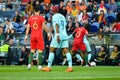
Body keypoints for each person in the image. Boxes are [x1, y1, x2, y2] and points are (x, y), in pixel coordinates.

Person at [42, 5, 73, 72]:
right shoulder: (62, 16)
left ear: (53, 11)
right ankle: (70, 67)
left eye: (52, 10)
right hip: (65, 35)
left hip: (58, 35)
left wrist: (58, 35)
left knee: (51, 49)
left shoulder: (54, 16)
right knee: (66, 50)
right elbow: (65, 25)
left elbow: (56, 25)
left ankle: (48, 67)